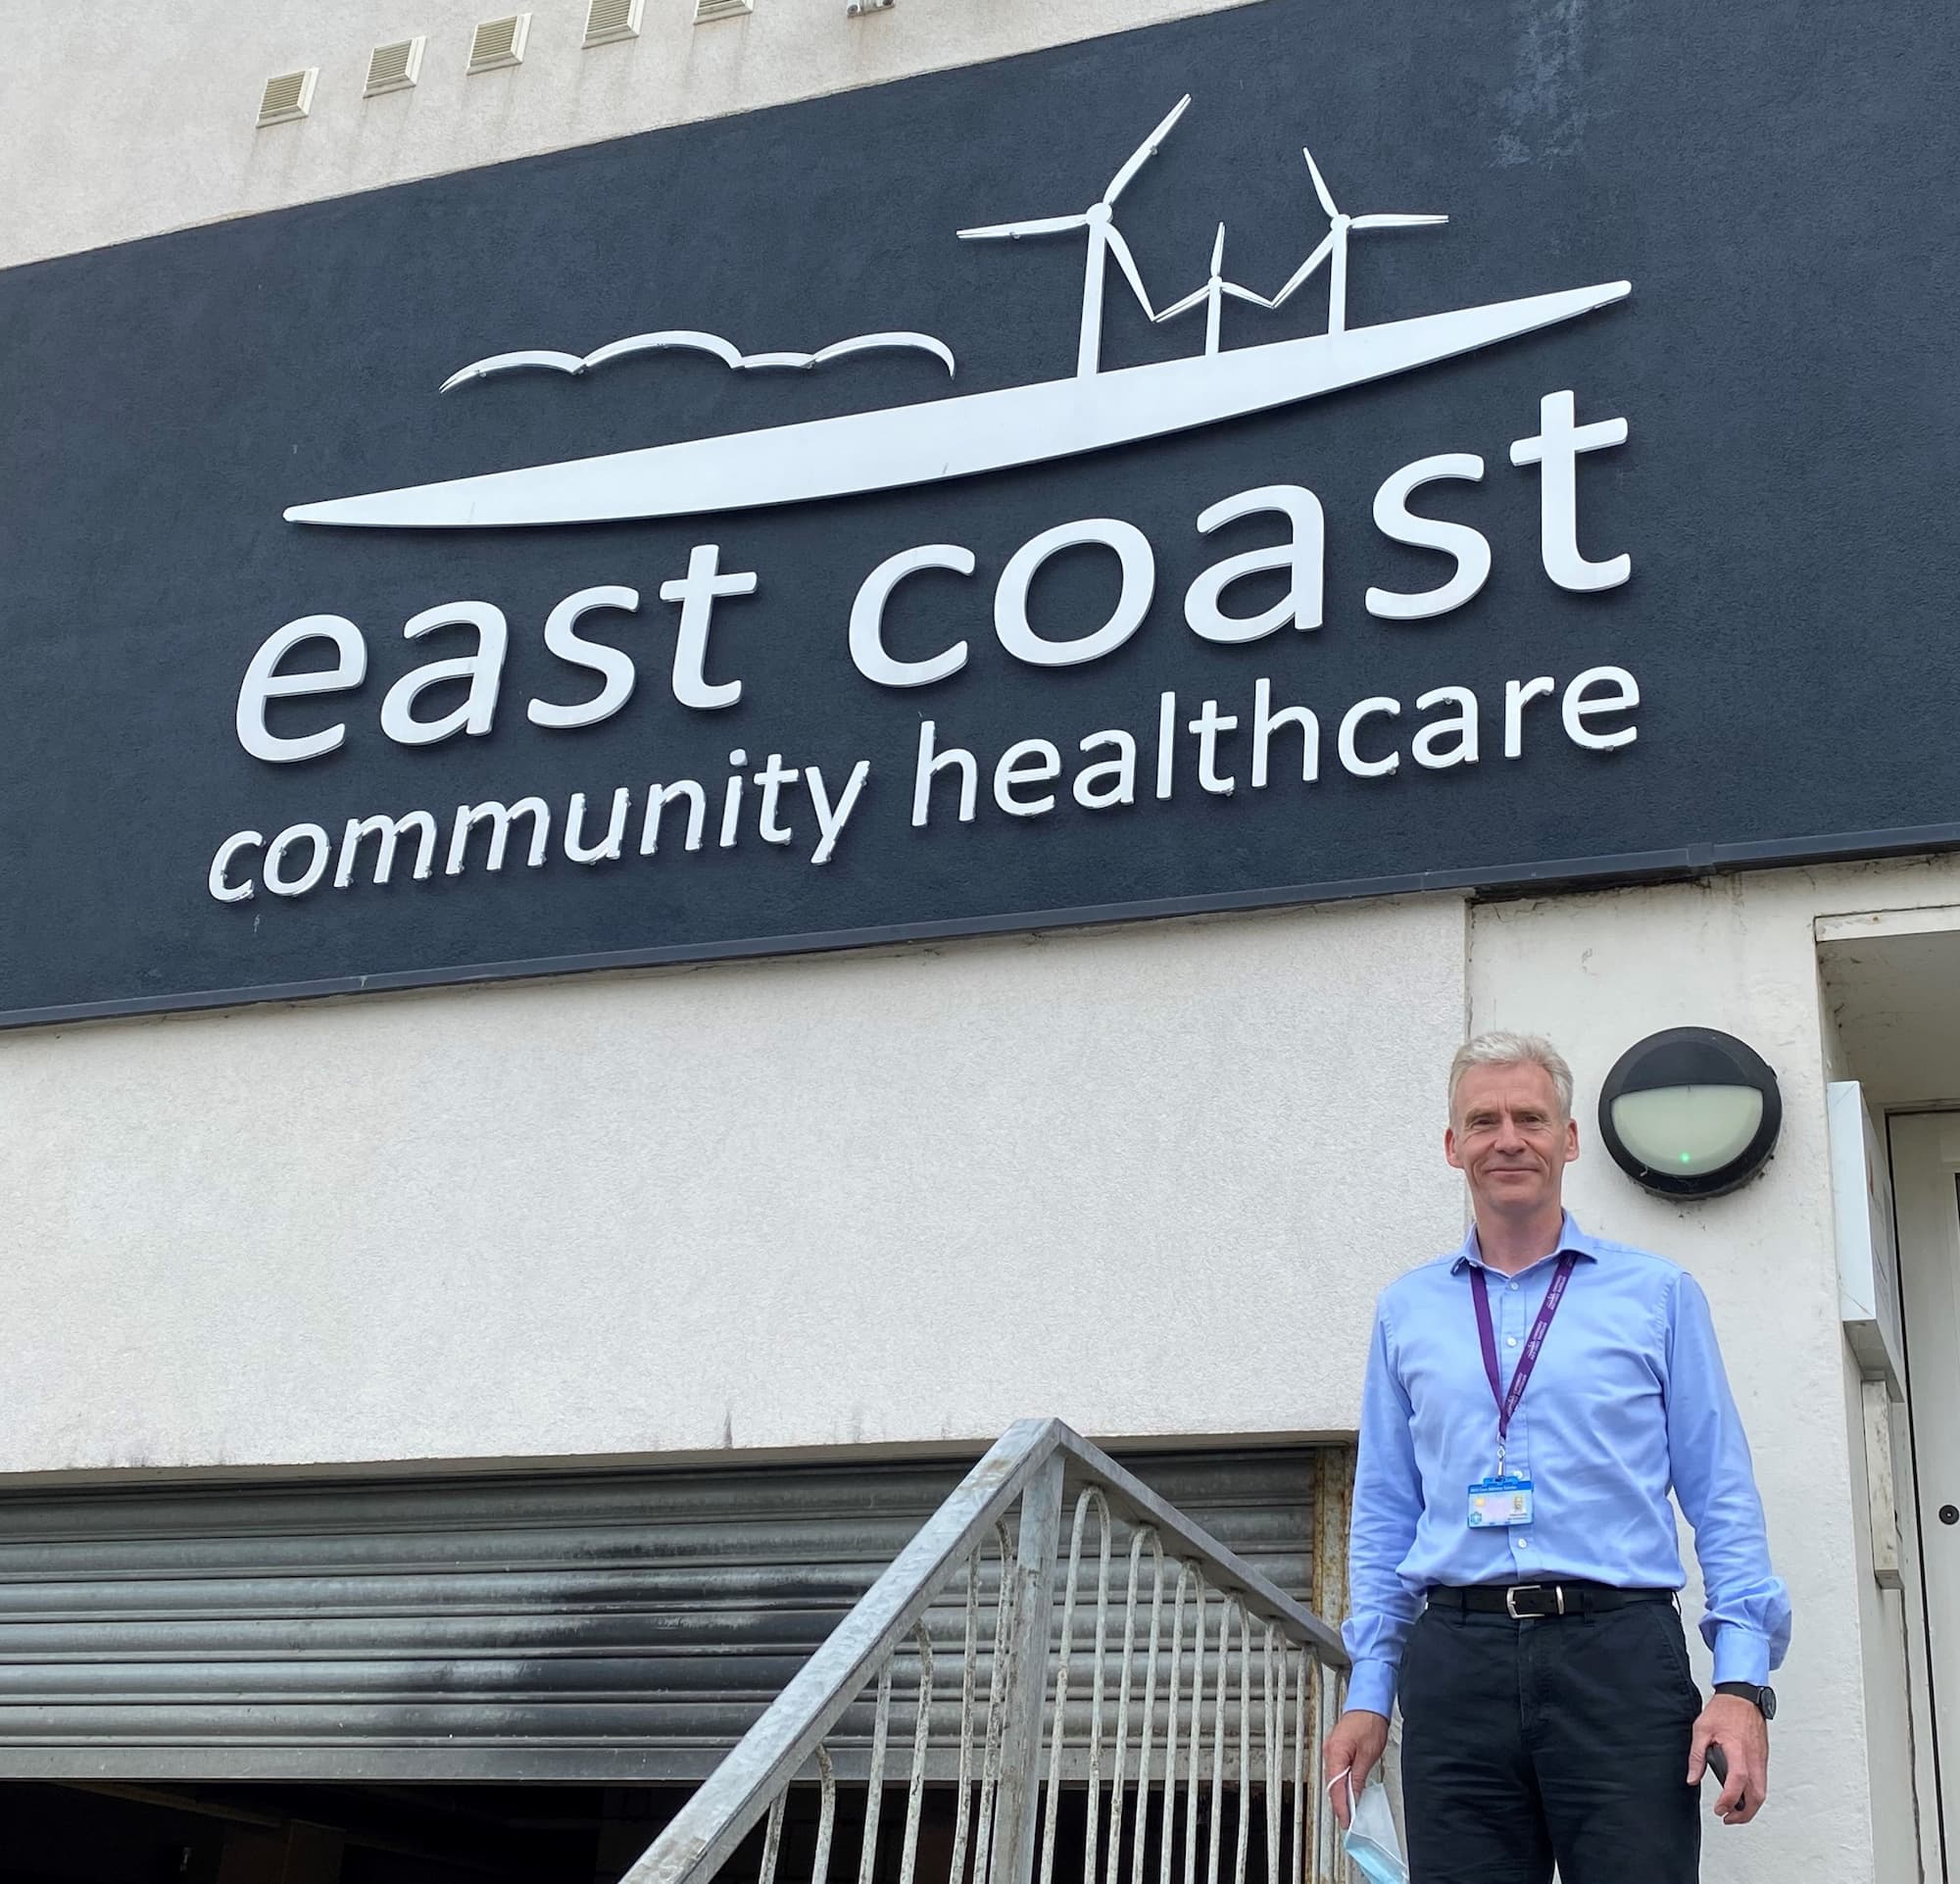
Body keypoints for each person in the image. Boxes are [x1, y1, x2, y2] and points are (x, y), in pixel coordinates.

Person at [1323, 1032, 1789, 1883]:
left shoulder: (1657, 1296)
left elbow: (1720, 1493)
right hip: (1456, 1665)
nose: (1509, 1138)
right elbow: (1386, 1509)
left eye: (1531, 1118)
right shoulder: (1406, 1312)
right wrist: (1369, 1692)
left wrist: (1741, 1682)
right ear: (1452, 1145)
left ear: (1568, 1139)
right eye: (1484, 1120)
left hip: (1617, 1657)